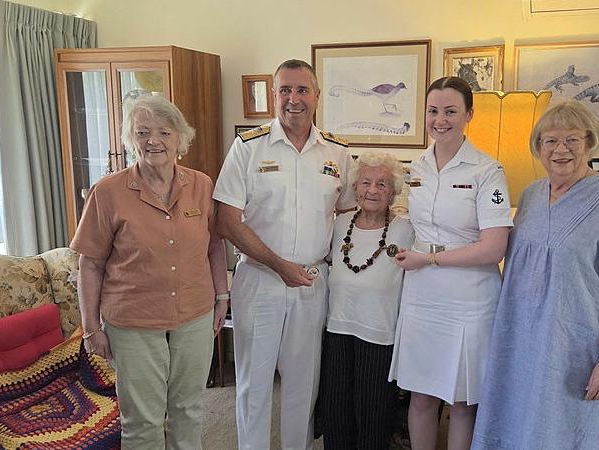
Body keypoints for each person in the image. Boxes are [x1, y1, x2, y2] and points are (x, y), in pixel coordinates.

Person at [470, 100, 599, 450]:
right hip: (516, 344)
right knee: (508, 426)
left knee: (560, 434)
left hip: (571, 353)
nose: (560, 149)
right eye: (550, 140)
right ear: (538, 147)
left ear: (589, 143)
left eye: (572, 139)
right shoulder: (530, 195)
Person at [71, 94, 229, 449]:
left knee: (188, 409)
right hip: (133, 321)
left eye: (163, 132)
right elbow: (90, 264)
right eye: (142, 132)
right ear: (130, 140)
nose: (153, 141)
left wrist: (222, 297)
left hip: (194, 314)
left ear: (180, 140)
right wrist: (90, 327)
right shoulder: (107, 192)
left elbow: (215, 245)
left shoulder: (201, 185)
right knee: (142, 420)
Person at [214, 59, 356, 450]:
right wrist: (280, 266)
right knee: (254, 384)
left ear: (317, 96)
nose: (294, 99)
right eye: (285, 90)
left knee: (303, 384)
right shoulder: (248, 148)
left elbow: (346, 215)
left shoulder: (338, 153)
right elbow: (226, 220)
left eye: (302, 90)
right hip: (260, 280)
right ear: (274, 96)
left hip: (312, 282)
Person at [389, 76, 513, 450]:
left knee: (461, 400)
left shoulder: (488, 171)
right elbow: (410, 222)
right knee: (421, 394)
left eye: (450, 111)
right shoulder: (415, 167)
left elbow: (494, 248)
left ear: (469, 115)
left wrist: (428, 257)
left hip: (468, 298)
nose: (439, 120)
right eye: (432, 111)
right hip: (422, 294)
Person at [320, 150, 415, 450]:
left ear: (394, 191)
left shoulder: (406, 230)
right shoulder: (337, 226)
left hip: (379, 335)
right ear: (355, 187)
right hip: (337, 331)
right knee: (335, 413)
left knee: (374, 417)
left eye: (382, 184)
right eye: (365, 183)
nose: (372, 190)